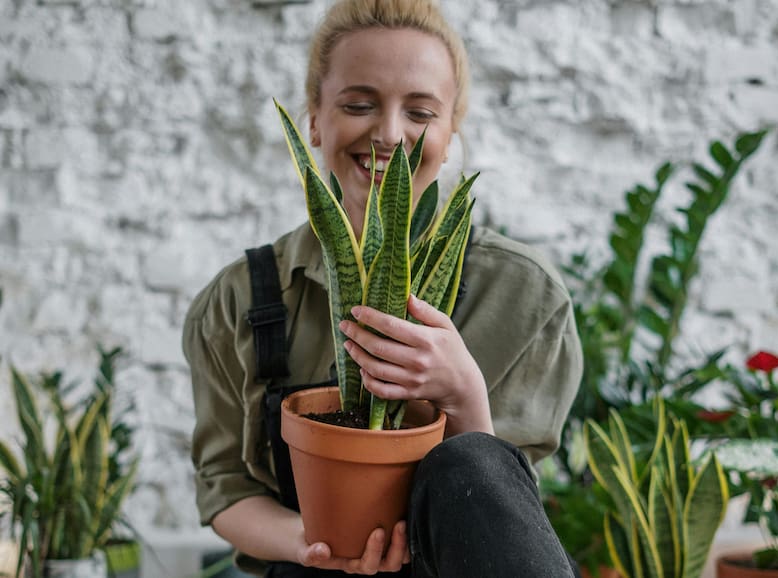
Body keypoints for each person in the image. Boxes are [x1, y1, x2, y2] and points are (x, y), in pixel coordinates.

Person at [183, 0, 583, 576]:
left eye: (420, 112)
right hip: (312, 567)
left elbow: (502, 512)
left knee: (470, 463)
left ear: (450, 133)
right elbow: (225, 491)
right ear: (315, 120)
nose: (389, 134)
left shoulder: (524, 296)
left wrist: (465, 392)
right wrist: (315, 541)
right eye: (359, 104)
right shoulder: (238, 300)